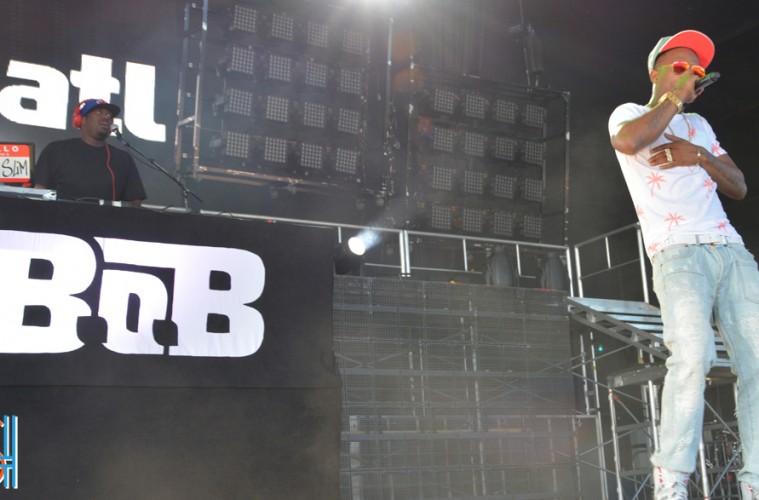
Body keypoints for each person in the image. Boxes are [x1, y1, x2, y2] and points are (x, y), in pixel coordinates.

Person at [609, 30, 759, 499]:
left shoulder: (701, 127)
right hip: (678, 252)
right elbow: (629, 142)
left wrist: (698, 155)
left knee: (758, 361)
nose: (691, 75)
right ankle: (672, 481)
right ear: (656, 72)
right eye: (681, 67)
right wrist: (673, 100)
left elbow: (739, 186)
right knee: (693, 356)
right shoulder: (629, 113)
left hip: (730, 250)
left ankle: (756, 482)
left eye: (696, 71)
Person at [34, 98, 146, 206]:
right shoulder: (56, 150)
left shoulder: (123, 159)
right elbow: (40, 191)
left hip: (107, 218)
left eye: (109, 115)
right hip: (62, 217)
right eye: (98, 112)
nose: (106, 117)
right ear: (82, 120)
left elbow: (135, 202)